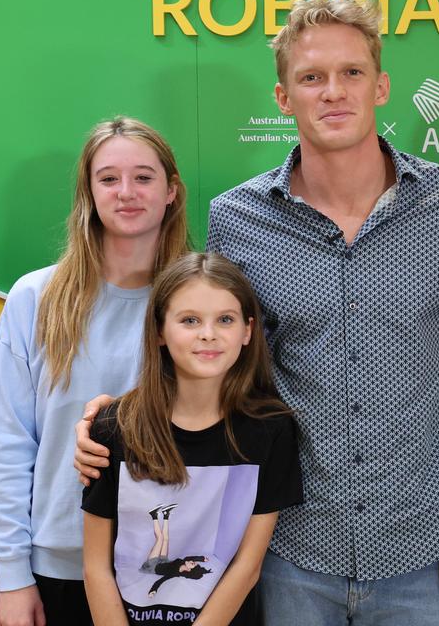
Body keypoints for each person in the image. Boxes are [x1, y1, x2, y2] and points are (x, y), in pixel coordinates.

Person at [76, 0, 439, 624]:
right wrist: (118, 422)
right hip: (288, 547)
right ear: (283, 97)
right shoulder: (239, 219)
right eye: (312, 77)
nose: (334, 92)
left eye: (351, 73)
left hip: (419, 548)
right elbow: (213, 362)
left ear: (380, 87)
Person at [0, 117, 189, 626]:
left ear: (171, 192)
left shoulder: (201, 302)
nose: (127, 192)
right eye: (108, 178)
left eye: (143, 177)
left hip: (178, 556)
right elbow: (8, 443)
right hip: (62, 562)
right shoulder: (37, 298)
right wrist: (12, 574)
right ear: (88, 193)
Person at [82, 253, 302, 626]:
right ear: (158, 331)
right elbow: (96, 568)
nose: (208, 334)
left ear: (248, 331)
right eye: (189, 320)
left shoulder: (271, 429)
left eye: (225, 320)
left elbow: (247, 566)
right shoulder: (111, 428)